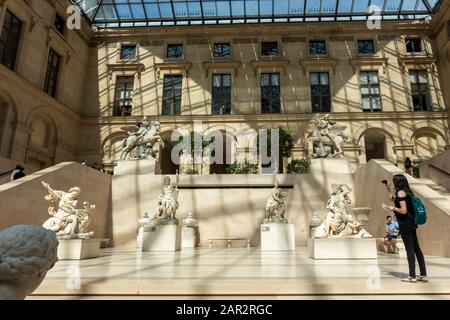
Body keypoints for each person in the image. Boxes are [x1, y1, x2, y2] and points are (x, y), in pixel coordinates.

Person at [384, 174, 428, 283]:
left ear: (397, 182)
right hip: (411, 223)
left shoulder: (401, 192)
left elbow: (403, 210)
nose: (393, 183)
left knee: (409, 249)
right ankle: (423, 274)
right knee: (416, 248)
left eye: (394, 181)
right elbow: (394, 199)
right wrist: (388, 189)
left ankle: (412, 276)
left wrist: (392, 208)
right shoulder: (407, 192)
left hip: (405, 224)